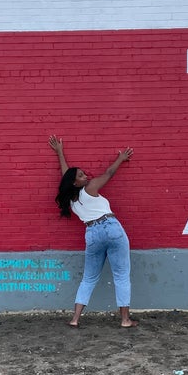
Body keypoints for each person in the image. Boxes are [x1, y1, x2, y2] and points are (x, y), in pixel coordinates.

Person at [48, 135, 138, 328]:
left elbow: (66, 175)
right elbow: (109, 173)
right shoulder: (90, 188)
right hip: (111, 227)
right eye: (81, 176)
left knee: (88, 278)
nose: (85, 176)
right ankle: (125, 320)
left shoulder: (70, 200)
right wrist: (121, 159)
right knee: (121, 275)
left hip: (92, 233)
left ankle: (75, 319)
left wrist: (60, 153)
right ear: (75, 182)